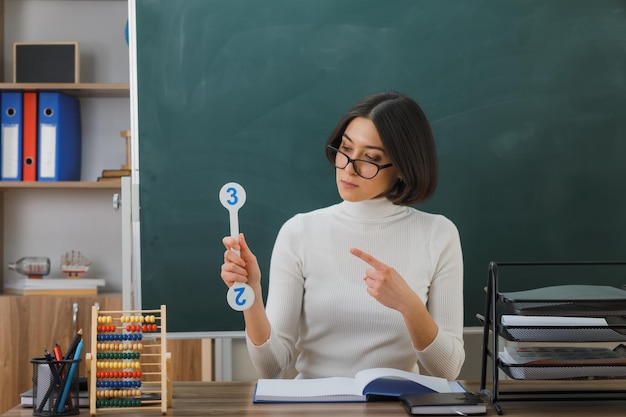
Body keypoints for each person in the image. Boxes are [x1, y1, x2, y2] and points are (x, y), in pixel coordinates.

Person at [221, 91, 464, 381]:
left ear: (401, 169)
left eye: (370, 158)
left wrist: (408, 305)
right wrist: (253, 295)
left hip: (394, 408)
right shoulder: (299, 231)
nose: (349, 168)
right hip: (313, 409)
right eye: (345, 149)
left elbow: (448, 370)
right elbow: (272, 367)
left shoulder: (439, 235)